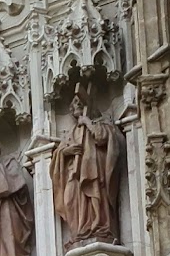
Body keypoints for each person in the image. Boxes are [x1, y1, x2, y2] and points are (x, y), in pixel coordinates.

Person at [53, 104, 125, 246]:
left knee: (95, 196)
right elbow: (59, 153)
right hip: (74, 175)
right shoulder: (72, 132)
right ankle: (78, 233)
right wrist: (66, 152)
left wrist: (87, 122)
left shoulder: (101, 123)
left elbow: (102, 137)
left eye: (79, 102)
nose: (76, 104)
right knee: (69, 200)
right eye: (74, 103)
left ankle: (98, 228)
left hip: (95, 171)